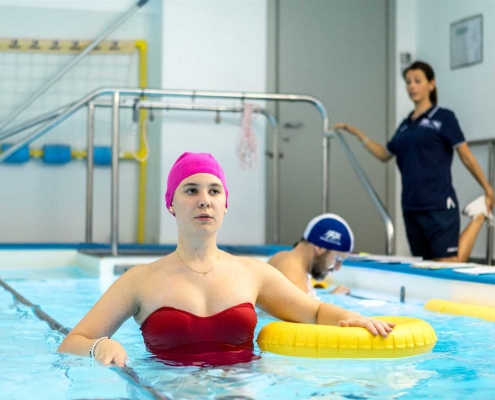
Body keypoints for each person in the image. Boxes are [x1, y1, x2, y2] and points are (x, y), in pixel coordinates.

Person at [57, 152, 394, 367]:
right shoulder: (140, 280)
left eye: (214, 191)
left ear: (225, 203)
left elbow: (315, 311)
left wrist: (356, 317)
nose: (204, 200)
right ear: (171, 204)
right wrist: (98, 347)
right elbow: (72, 342)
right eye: (191, 190)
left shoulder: (252, 273)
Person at [333, 61, 494, 262]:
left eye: (417, 81)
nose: (411, 86)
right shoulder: (405, 125)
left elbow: (466, 155)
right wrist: (357, 134)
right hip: (411, 205)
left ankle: (479, 216)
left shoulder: (443, 117)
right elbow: (384, 154)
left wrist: (488, 190)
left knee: (449, 262)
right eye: (408, 82)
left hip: (438, 203)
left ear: (431, 84)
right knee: (425, 265)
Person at [268, 213, 353, 296]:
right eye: (338, 259)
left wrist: (332, 297)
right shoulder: (297, 287)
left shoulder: (280, 257)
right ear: (319, 247)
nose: (337, 268)